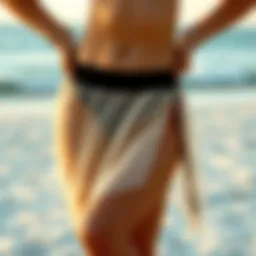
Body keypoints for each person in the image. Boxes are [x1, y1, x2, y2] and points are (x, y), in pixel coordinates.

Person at [1, 0, 255, 255]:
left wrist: (194, 36)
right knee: (138, 246)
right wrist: (57, 34)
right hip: (87, 98)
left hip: (154, 100)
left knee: (101, 233)